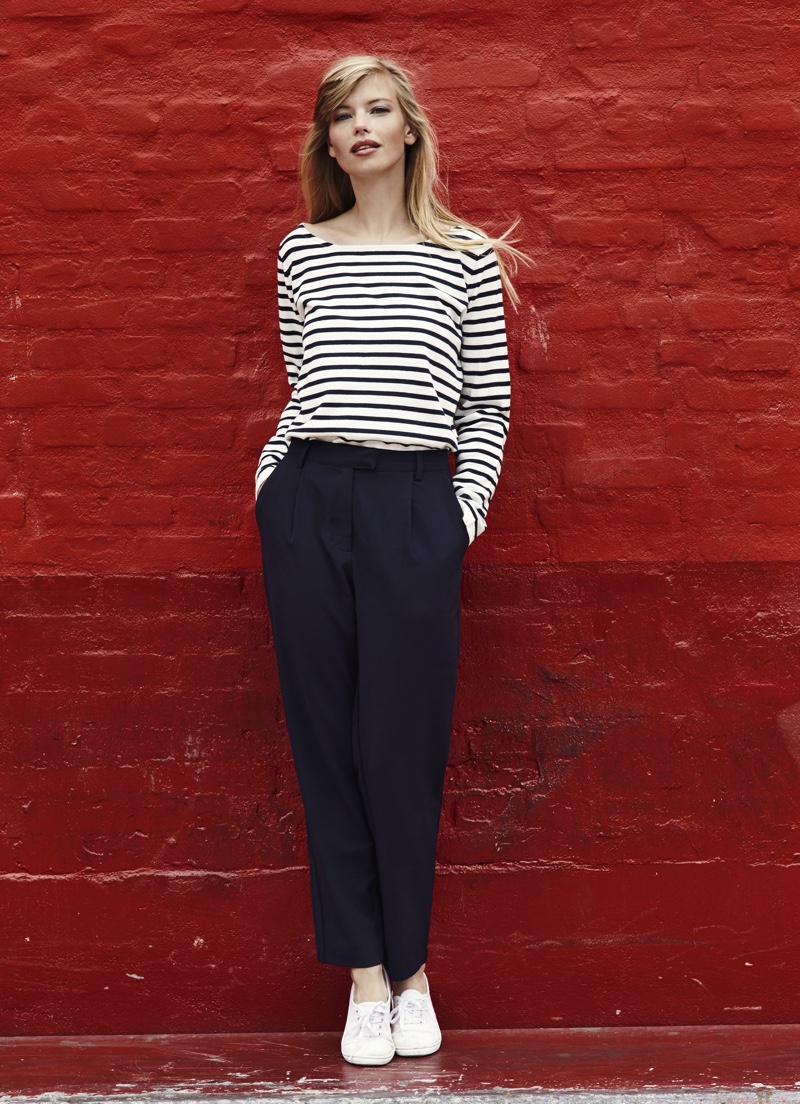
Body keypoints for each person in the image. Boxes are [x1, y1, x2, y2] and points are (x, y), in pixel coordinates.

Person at [254, 54, 528, 1066]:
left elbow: (486, 406)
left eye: (376, 111)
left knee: (397, 749)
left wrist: (458, 515)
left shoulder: (459, 256)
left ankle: (410, 967)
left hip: (415, 505)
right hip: (310, 500)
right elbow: (304, 383)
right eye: (340, 115)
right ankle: (367, 980)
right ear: (326, 143)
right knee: (325, 744)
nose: (358, 127)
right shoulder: (300, 253)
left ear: (408, 131)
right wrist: (271, 486)